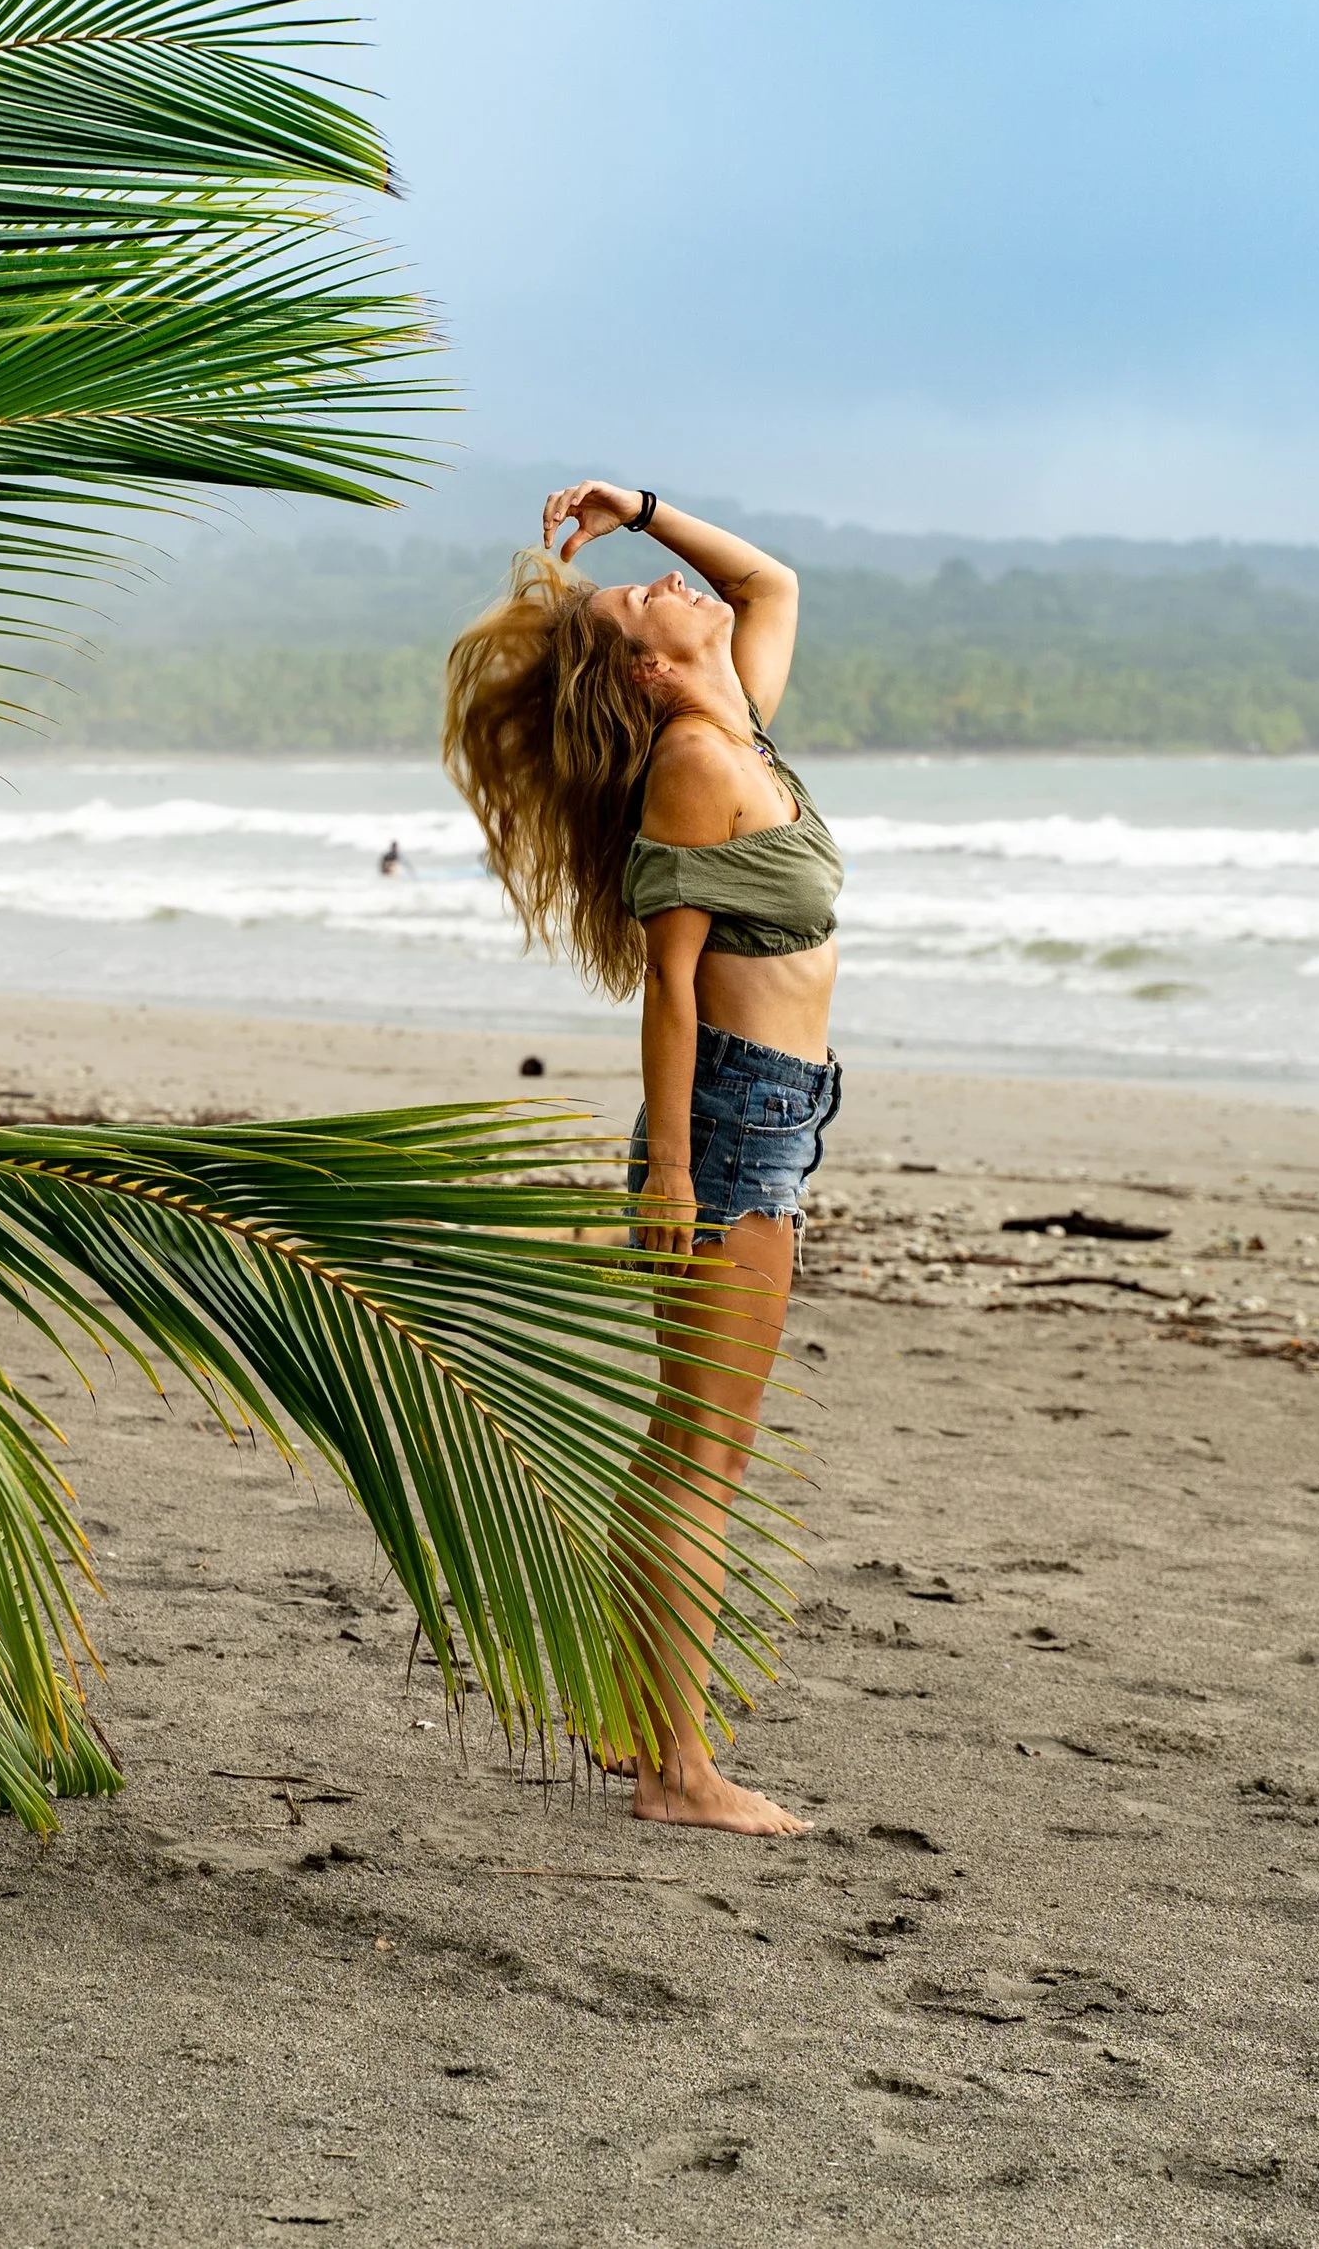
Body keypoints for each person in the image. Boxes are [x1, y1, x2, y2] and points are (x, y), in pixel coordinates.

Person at [442, 483, 841, 1836]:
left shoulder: (740, 727)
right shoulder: (695, 760)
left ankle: (629, 1719)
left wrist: (646, 511)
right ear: (657, 670)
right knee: (703, 1454)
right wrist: (671, 1170)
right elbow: (670, 992)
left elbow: (770, 581)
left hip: (767, 1114)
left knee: (687, 1443)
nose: (675, 590)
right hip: (731, 1125)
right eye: (647, 605)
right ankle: (679, 1770)